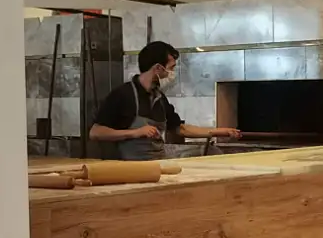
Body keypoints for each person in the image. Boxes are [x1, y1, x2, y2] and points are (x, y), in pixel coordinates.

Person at [89, 41, 240, 161]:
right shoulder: (122, 95)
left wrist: (219, 131)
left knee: (210, 154)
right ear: (158, 68)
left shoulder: (160, 98)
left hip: (158, 162)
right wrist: (135, 133)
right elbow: (96, 132)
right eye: (171, 68)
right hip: (129, 167)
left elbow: (180, 129)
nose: (172, 74)